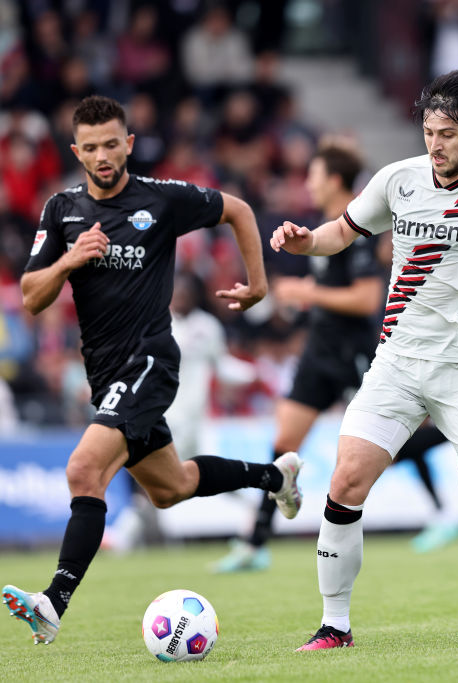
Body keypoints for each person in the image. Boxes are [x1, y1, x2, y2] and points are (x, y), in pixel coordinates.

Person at [270, 70, 458, 650]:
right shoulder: (399, 179)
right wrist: (302, 240)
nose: (434, 145)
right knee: (345, 482)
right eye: (428, 131)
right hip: (397, 362)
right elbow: (340, 232)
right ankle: (335, 624)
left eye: (448, 134)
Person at [2, 95, 303, 646]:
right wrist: (70, 259)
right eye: (90, 148)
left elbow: (237, 208)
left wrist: (258, 283)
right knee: (172, 486)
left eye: (112, 144)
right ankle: (275, 478)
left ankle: (53, 602)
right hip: (105, 374)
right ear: (77, 151)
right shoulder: (60, 210)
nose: (102, 156)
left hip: (150, 359)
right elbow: (30, 298)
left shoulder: (161, 200)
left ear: (129, 144)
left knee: (81, 471)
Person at [212, 141, 455, 571]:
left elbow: (365, 300)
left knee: (394, 443)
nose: (308, 182)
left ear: (335, 180)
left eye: (315, 175)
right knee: (284, 443)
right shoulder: (323, 227)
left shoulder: (361, 230)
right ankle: (256, 542)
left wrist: (307, 292)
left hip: (353, 354)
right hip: (319, 353)